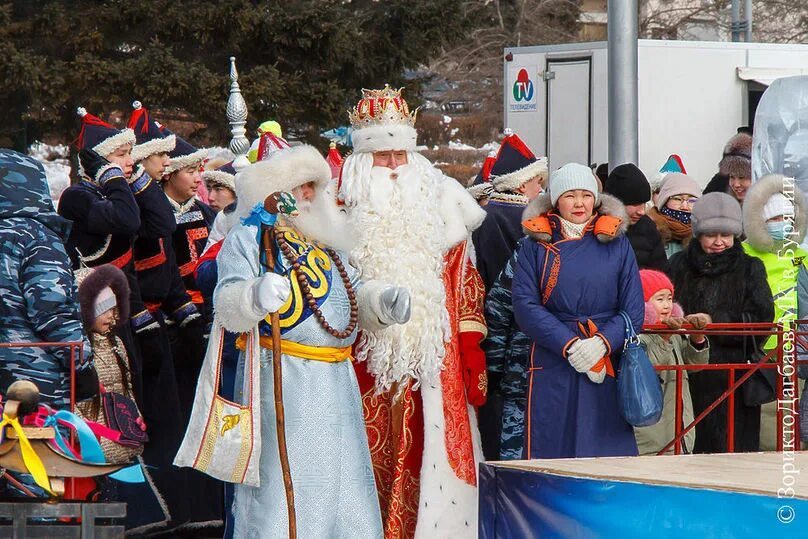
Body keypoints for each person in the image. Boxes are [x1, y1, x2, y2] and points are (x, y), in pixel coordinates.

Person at [190, 145, 410, 537]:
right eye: (302, 185)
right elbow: (226, 302)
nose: (310, 195)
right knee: (283, 490)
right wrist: (254, 295)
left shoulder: (329, 243)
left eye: (315, 186)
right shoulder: (249, 239)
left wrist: (381, 303)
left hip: (337, 383)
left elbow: (352, 293)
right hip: (282, 379)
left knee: (344, 487)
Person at [338, 85, 488, 537]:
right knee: (361, 456)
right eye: (381, 157)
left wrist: (470, 350)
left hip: (433, 361)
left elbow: (465, 284)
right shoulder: (340, 208)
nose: (393, 167)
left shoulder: (443, 206)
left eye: (399, 155)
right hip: (359, 358)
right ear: (363, 160)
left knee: (432, 452)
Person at [512, 162, 644, 458]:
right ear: (556, 200)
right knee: (553, 445)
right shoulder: (535, 244)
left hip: (605, 358)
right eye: (570, 195)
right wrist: (569, 345)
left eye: (586, 194)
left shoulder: (617, 242)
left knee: (604, 447)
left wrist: (601, 344)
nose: (579, 203)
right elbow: (525, 305)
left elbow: (633, 309)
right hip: (553, 356)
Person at [668, 192, 774, 453]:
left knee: (734, 454)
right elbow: (663, 306)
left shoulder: (750, 268)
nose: (719, 242)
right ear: (697, 233)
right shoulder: (678, 265)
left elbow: (763, 318)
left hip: (734, 378)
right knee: (685, 449)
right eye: (710, 235)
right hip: (688, 373)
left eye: (726, 235)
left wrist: (714, 323)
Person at [74, 263, 169, 534]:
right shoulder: (79, 349)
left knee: (127, 500)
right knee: (101, 495)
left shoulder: (115, 343)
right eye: (103, 309)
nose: (111, 316)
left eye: (114, 309)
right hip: (93, 434)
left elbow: (126, 385)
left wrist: (135, 415)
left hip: (119, 431)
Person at [0, 150, 94, 408]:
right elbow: (53, 309)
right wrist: (82, 365)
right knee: (39, 447)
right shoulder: (36, 236)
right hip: (33, 382)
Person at [741, 174, 808, 451]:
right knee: (768, 438)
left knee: (795, 434)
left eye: (789, 218)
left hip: (800, 356)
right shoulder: (743, 254)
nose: (786, 225)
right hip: (760, 356)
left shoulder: (803, 256)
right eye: (777, 219)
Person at [634, 270, 710, 455]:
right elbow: (647, 368)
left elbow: (695, 365)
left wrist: (697, 338)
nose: (667, 305)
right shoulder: (637, 335)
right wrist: (663, 338)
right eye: (659, 299)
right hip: (651, 438)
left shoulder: (674, 330)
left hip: (680, 428)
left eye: (669, 298)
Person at [473, 130, 547, 292]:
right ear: (522, 185)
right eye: (537, 182)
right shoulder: (531, 219)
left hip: (486, 302)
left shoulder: (481, 215)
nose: (540, 188)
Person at [481, 249, 532, 460]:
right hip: (523, 377)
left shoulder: (610, 248)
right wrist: (494, 368)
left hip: (581, 380)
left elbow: (497, 308)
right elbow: (498, 307)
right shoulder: (531, 249)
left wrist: (495, 368)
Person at [604, 163, 668, 271]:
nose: (641, 211)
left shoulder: (648, 228)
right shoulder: (594, 228)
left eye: (643, 203)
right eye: (634, 204)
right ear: (614, 202)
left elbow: (662, 273)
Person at [648, 172, 702, 258]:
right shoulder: (648, 231)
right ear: (664, 202)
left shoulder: (705, 235)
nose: (684, 207)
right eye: (677, 199)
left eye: (692, 200)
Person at [719, 132, 753, 204]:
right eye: (732, 177)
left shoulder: (771, 209)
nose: (736, 184)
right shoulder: (725, 205)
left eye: (742, 177)